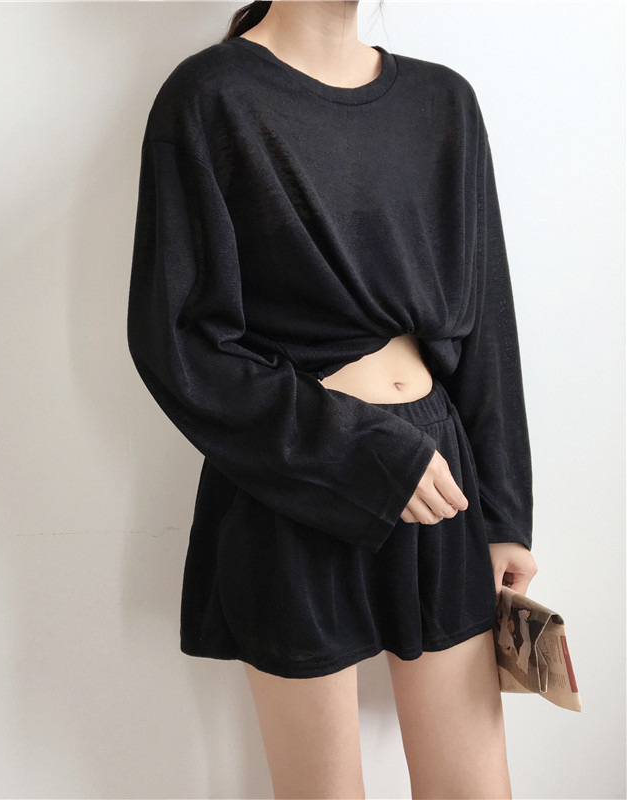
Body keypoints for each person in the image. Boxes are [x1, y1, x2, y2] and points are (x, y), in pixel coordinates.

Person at [126, 1, 539, 797]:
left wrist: (504, 516)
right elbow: (180, 342)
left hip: (439, 480)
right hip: (294, 480)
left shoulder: (443, 101)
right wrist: (356, 452)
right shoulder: (211, 96)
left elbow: (487, 324)